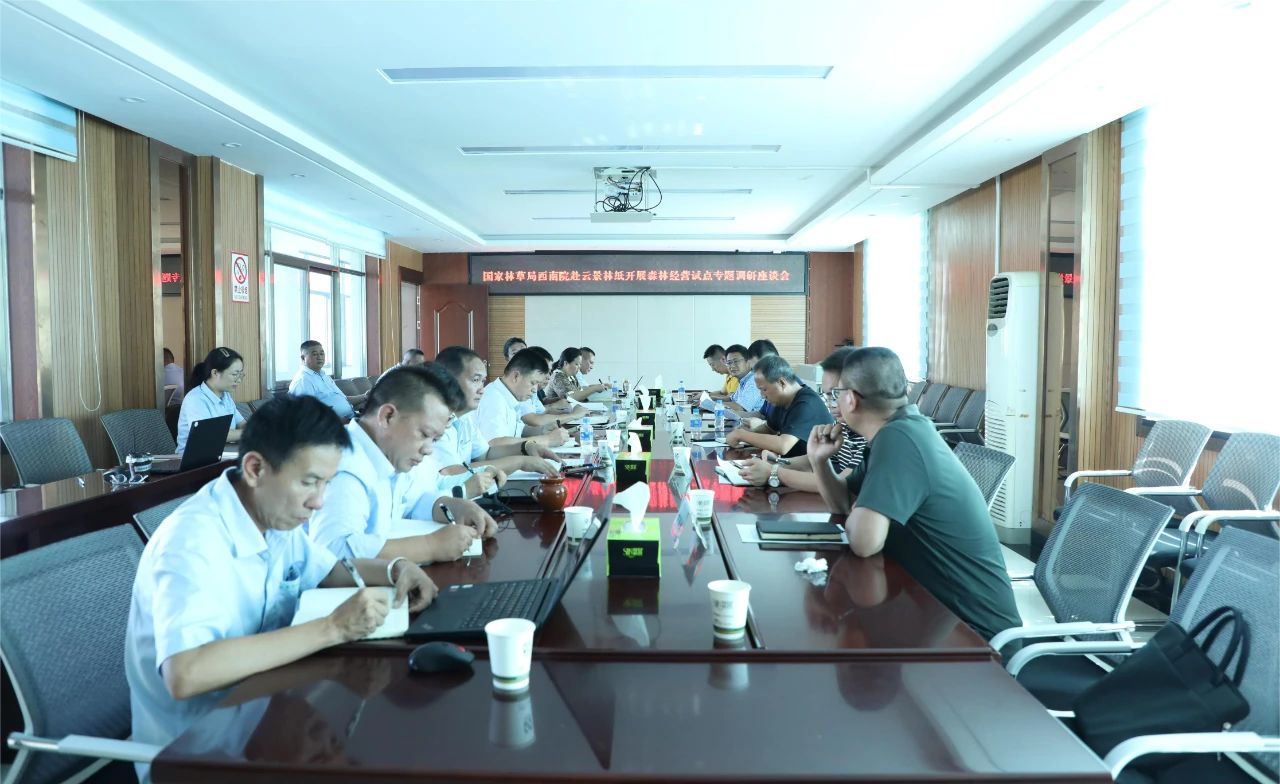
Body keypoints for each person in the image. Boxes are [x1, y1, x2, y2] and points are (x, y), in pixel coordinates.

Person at [125, 396, 436, 784]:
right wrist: (333, 628)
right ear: (255, 468)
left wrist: (395, 569)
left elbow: (329, 570)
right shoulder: (192, 542)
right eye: (309, 482)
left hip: (267, 714)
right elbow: (186, 673)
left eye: (326, 484)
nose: (319, 502)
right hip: (200, 752)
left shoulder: (271, 515)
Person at [806, 347, 1020, 642]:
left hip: (974, 635)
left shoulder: (899, 439)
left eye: (834, 394)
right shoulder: (896, 430)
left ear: (851, 399)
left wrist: (859, 513)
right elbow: (843, 504)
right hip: (931, 613)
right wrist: (819, 461)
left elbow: (865, 542)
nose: (832, 402)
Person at [307, 364, 497, 563]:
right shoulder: (343, 463)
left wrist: (452, 506)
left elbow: (410, 505)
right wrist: (430, 546)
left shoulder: (387, 456)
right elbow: (333, 551)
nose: (428, 449)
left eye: (434, 439)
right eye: (424, 434)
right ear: (387, 416)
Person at [429, 346, 561, 496]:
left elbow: (485, 453)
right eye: (475, 380)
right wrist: (521, 462)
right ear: (448, 380)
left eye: (482, 381)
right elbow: (452, 472)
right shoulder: (436, 421)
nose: (482, 389)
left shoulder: (465, 416)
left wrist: (525, 447)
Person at [738, 347, 867, 491]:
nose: (831, 404)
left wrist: (774, 472)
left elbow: (842, 484)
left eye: (835, 394)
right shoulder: (843, 427)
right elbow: (814, 460)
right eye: (827, 395)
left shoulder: (870, 438)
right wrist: (777, 462)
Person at [725, 354, 832, 458]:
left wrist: (742, 435)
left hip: (813, 467)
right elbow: (769, 429)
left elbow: (783, 445)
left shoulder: (806, 403)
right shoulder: (781, 399)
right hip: (790, 462)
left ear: (781, 383)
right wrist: (743, 434)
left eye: (764, 389)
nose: (762, 396)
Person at [475, 348, 571, 446]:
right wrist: (547, 440)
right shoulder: (494, 399)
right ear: (516, 376)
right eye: (533, 383)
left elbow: (518, 430)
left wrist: (543, 430)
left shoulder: (510, 396)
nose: (534, 390)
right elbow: (494, 443)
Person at [176, 347, 246, 454]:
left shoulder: (226, 396)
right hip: (194, 459)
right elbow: (211, 435)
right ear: (215, 373)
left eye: (240, 374)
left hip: (223, 454)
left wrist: (253, 428)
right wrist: (248, 433)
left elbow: (242, 423)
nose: (239, 380)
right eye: (234, 374)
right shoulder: (195, 399)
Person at [289, 341, 363, 419]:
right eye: (315, 354)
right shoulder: (303, 381)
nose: (319, 357)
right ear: (303, 358)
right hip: (334, 424)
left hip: (352, 417)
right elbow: (307, 414)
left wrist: (365, 396)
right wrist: (337, 421)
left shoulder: (324, 376)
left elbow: (344, 399)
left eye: (322, 353)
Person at [545, 347, 610, 404]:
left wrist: (597, 387)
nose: (579, 367)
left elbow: (580, 392)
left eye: (580, 364)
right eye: (576, 364)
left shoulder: (571, 375)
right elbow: (571, 398)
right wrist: (594, 388)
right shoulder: (558, 376)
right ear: (566, 363)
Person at [721, 344, 764, 416]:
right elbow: (731, 399)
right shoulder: (743, 380)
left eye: (736, 361)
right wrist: (709, 399)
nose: (732, 366)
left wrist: (715, 405)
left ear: (748, 362)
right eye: (729, 363)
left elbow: (739, 407)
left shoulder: (753, 381)